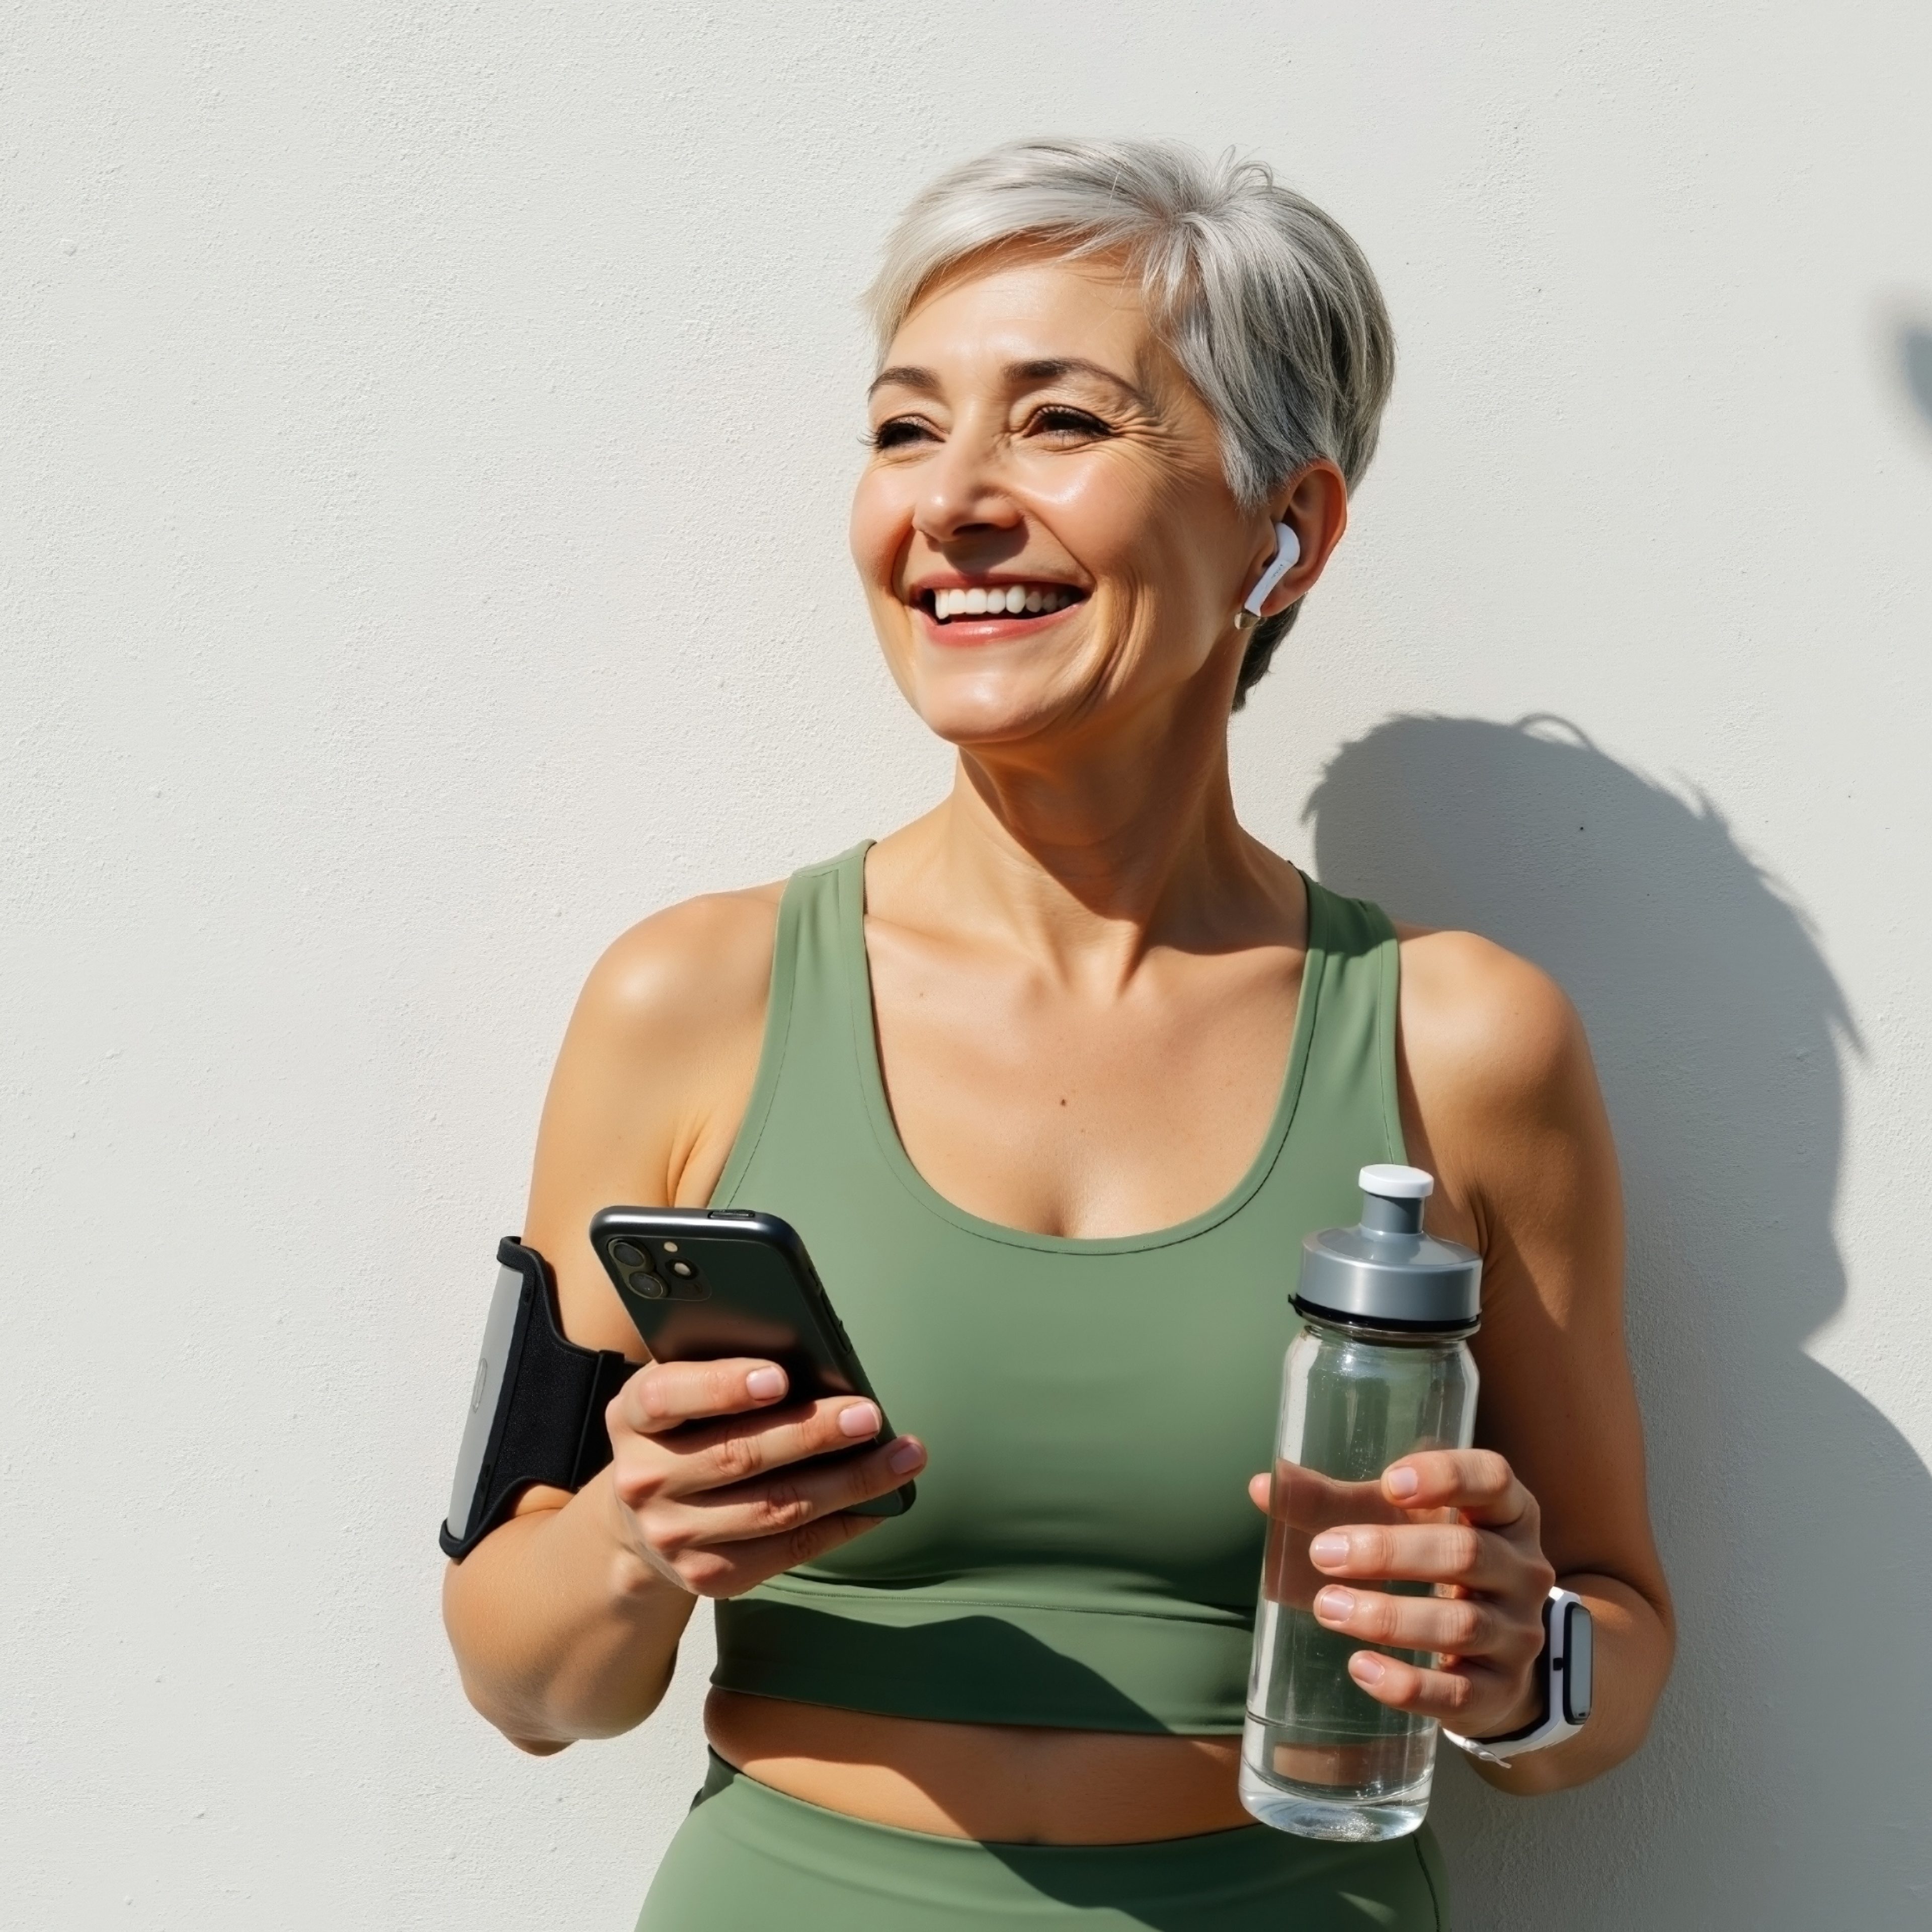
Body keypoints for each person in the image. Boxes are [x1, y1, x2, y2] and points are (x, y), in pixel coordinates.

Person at [442, 137, 1673, 1930]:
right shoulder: (690, 1000)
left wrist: (1518, 1658)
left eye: (1061, 422)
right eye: (903, 428)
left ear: (1288, 529)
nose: (952, 500)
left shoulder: (1463, 1040)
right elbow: (521, 1681)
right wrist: (638, 1540)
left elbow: (1611, 1663)